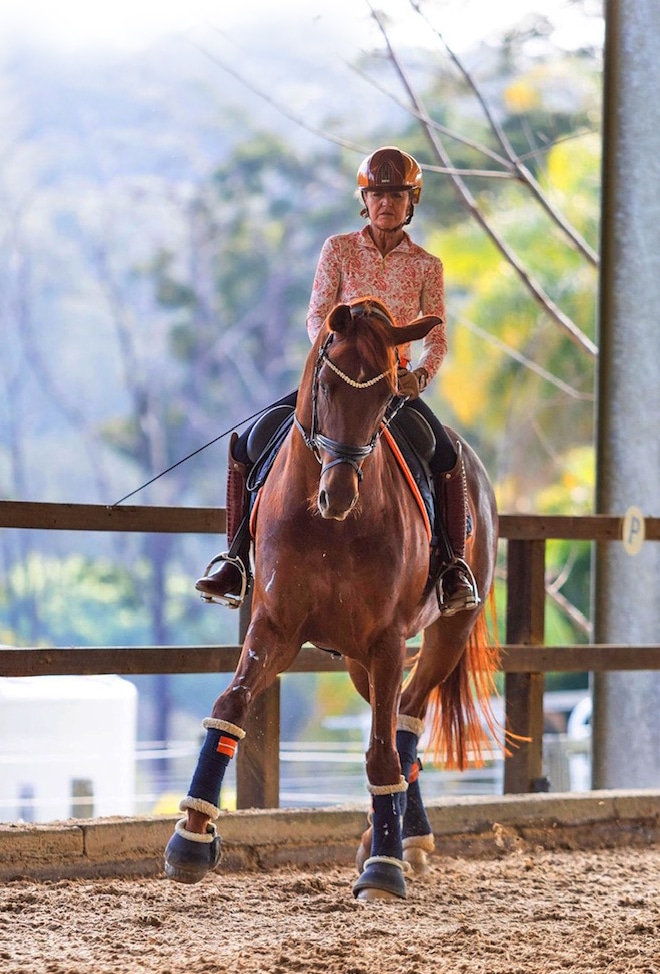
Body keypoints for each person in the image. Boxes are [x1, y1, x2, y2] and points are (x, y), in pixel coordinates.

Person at [195, 146, 479, 616]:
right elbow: (316, 316)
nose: (386, 202)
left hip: (391, 388)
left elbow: (438, 337)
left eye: (397, 194)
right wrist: (337, 356)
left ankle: (451, 568)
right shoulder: (339, 249)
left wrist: (420, 378)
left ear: (412, 202)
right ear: (363, 200)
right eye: (377, 194)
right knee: (253, 442)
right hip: (337, 380)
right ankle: (235, 560)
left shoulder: (427, 265)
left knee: (446, 454)